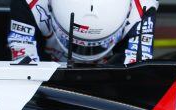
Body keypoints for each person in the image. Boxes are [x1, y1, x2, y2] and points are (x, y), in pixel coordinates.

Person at [9, 0, 159, 65]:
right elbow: (24, 67)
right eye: (74, 43)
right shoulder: (31, 5)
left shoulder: (141, 10)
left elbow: (137, 72)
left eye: (97, 45)